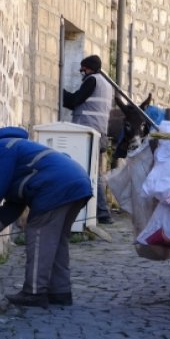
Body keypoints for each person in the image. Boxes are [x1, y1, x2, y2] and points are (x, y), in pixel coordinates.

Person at [0, 126, 93, 307]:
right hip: (77, 182)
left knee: (39, 237)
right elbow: (13, 208)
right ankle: (60, 291)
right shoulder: (15, 149)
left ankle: (34, 292)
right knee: (56, 241)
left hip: (54, 187)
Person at [63, 54, 115, 224]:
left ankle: (94, 213)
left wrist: (59, 91)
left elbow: (75, 101)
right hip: (100, 131)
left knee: (87, 173)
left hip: (87, 131)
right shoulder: (106, 84)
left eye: (83, 67)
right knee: (96, 173)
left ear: (89, 68)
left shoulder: (92, 80)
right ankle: (101, 212)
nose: (81, 71)